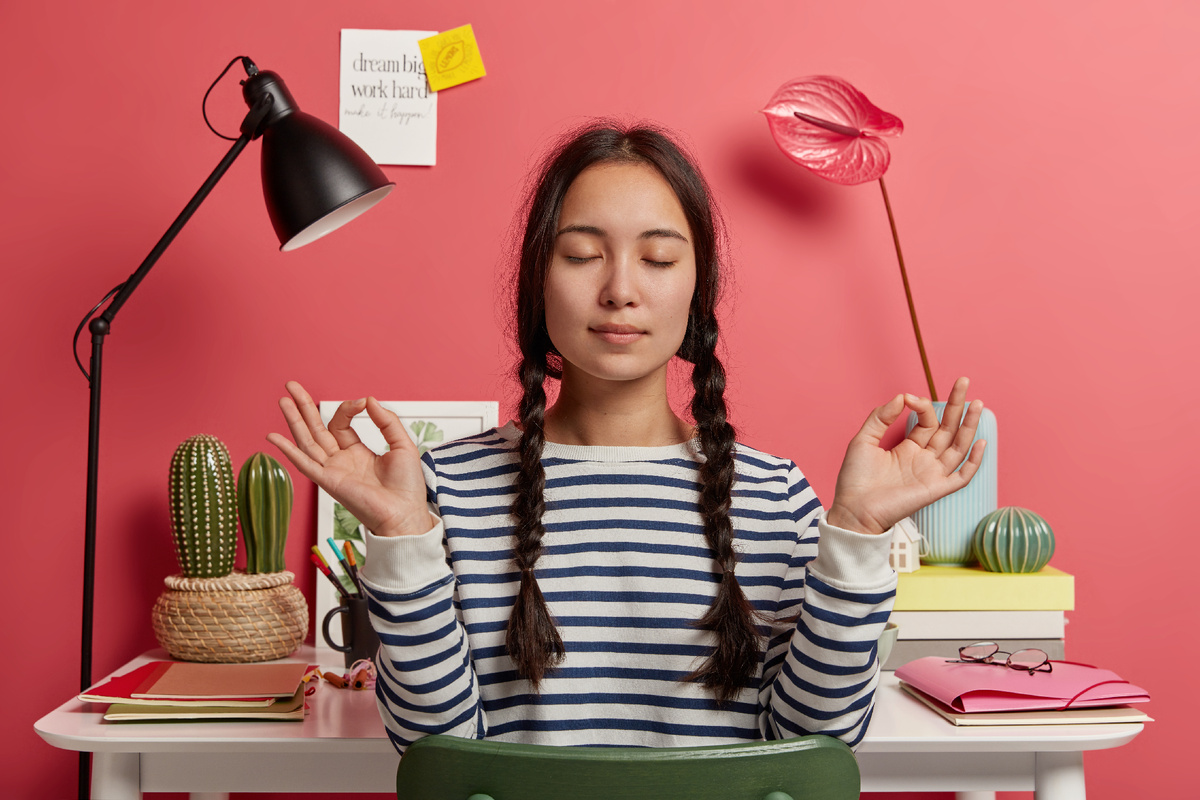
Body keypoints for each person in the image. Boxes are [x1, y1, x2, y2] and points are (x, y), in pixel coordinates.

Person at [268, 122, 985, 755]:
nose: (620, 290)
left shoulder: (776, 498)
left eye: (659, 259)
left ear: (697, 290)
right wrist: (401, 535)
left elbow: (810, 746)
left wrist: (856, 534)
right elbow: (438, 752)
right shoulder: (443, 491)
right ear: (537, 286)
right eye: (582, 255)